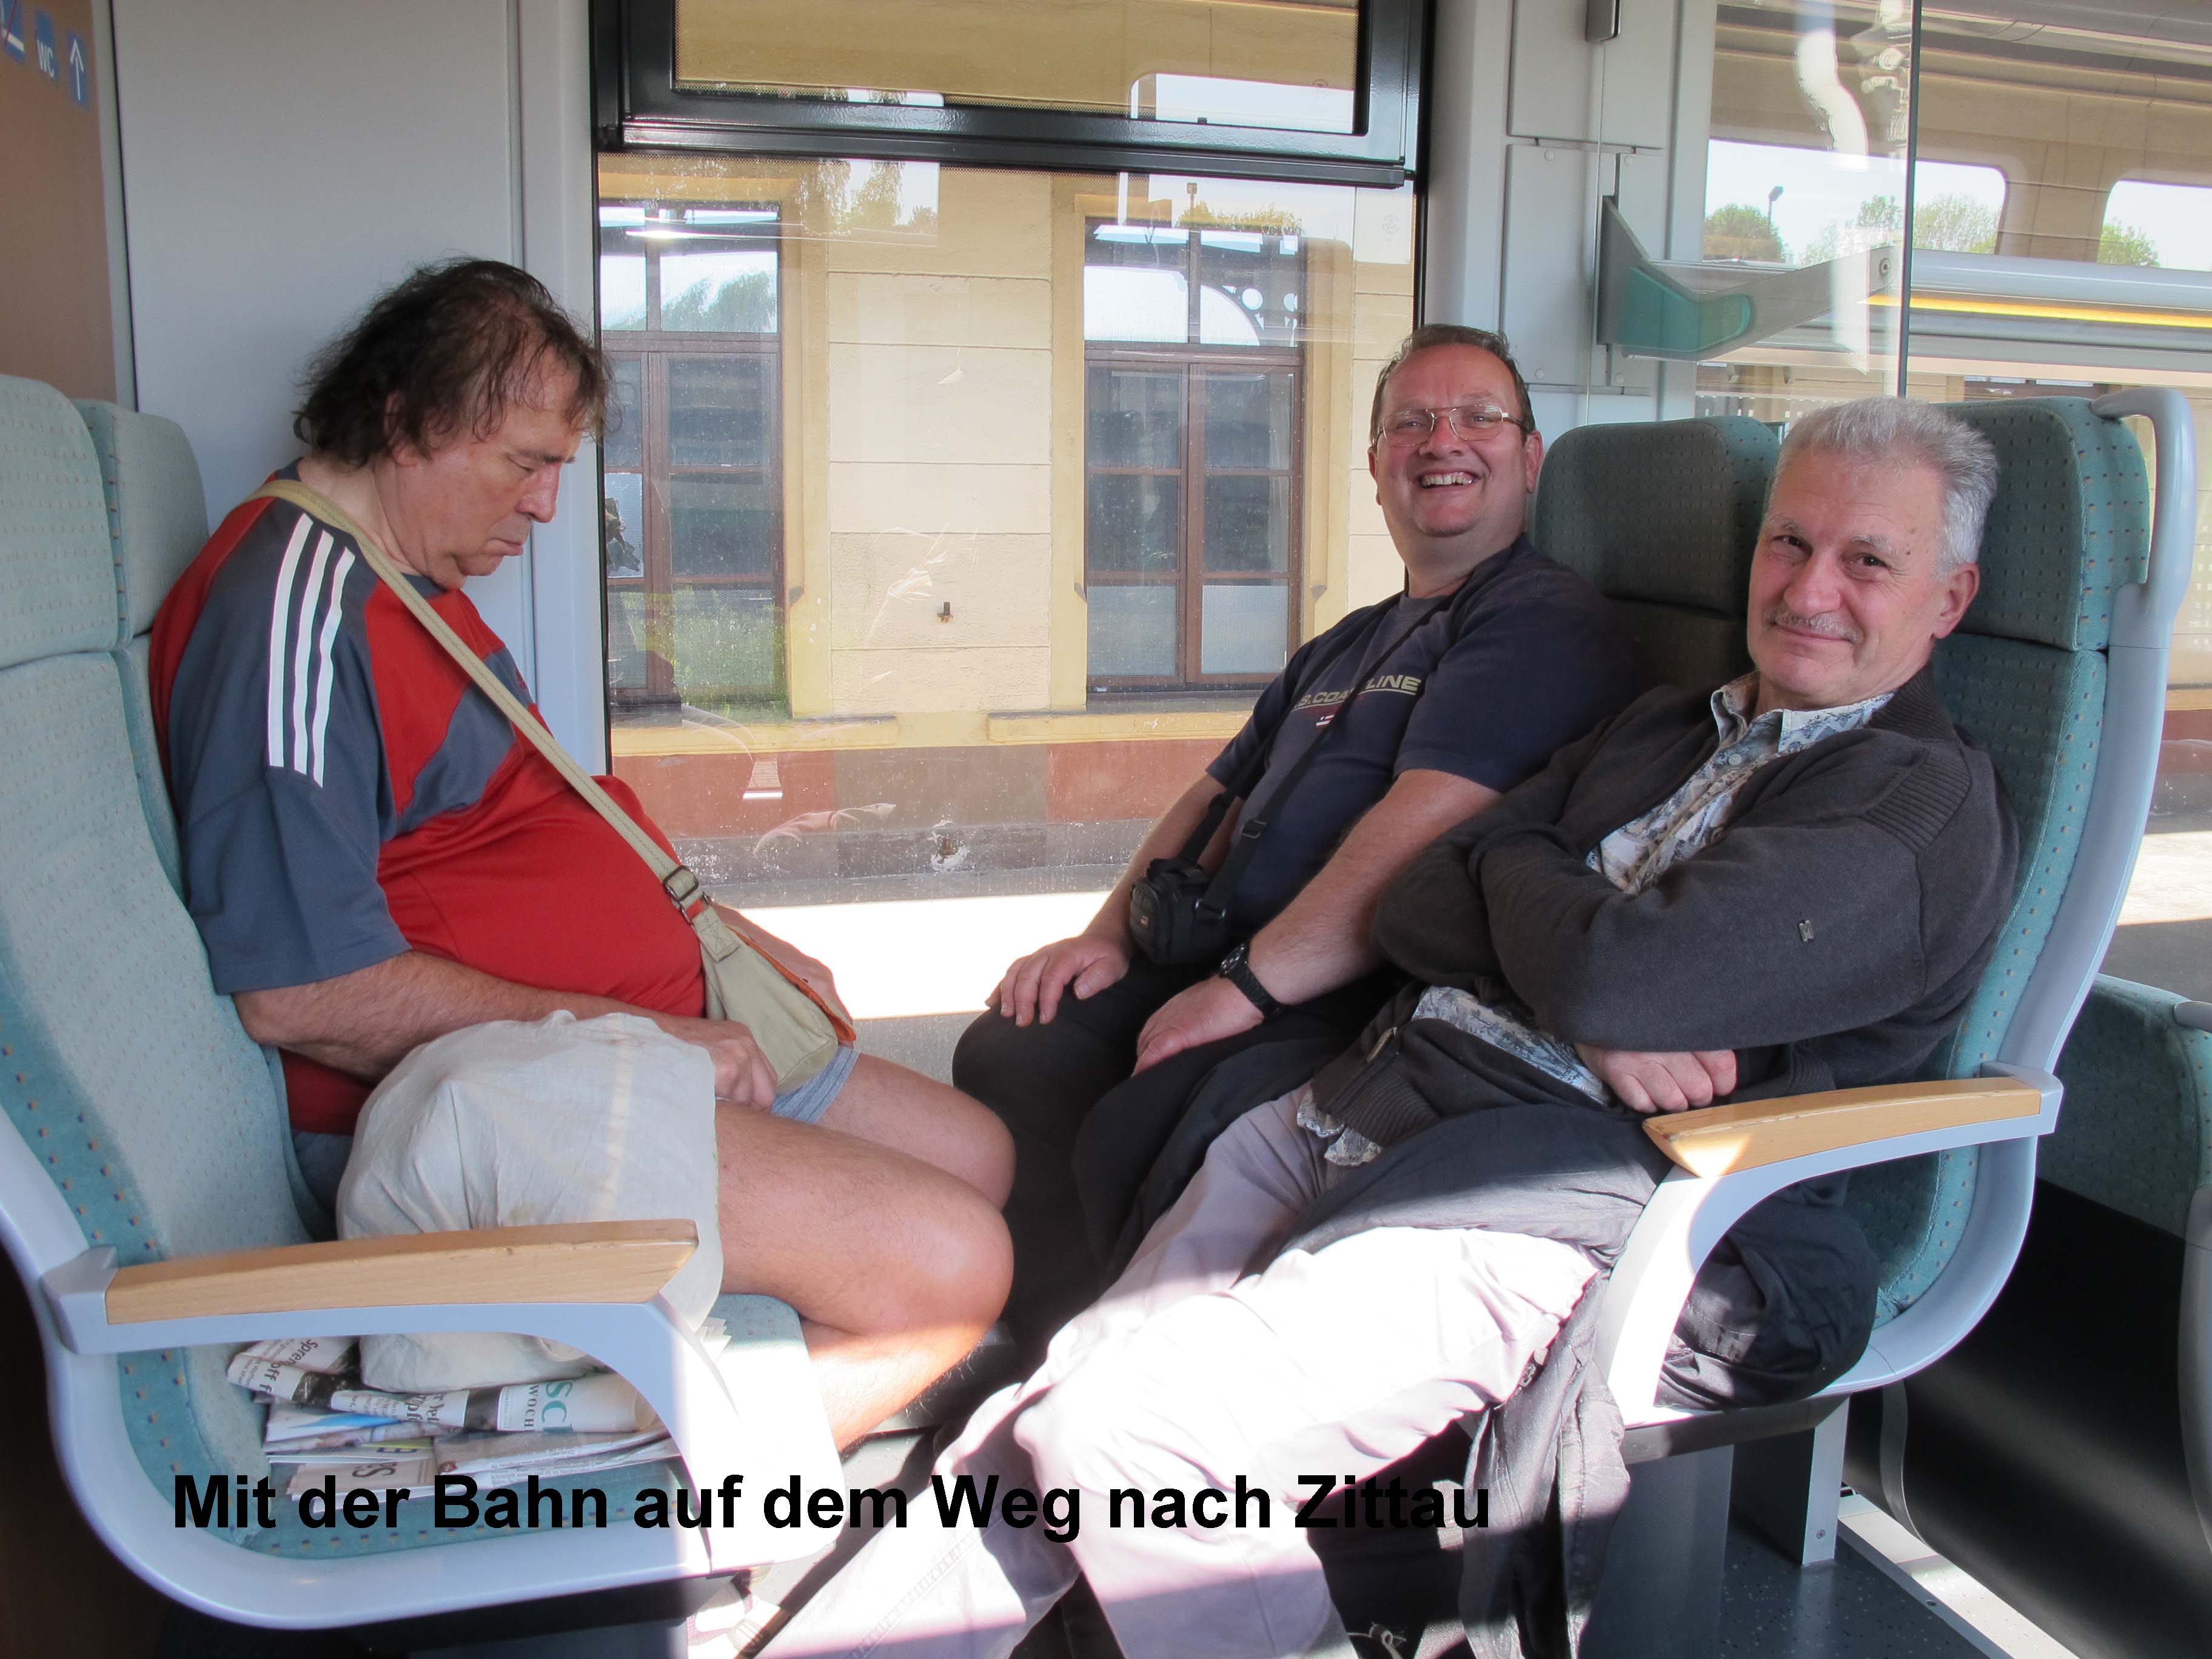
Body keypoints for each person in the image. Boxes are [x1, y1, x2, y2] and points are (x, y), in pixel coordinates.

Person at [763, 396, 2019, 1658]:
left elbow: (1606, 966)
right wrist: (1573, 957)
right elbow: (1423, 898)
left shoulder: (1918, 810)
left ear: (1949, 600)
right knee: (1050, 1409)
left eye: (1868, 561)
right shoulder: (1665, 725)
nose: (1808, 589)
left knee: (1122, 1437)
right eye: (1789, 543)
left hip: (1546, 1192)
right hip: (1365, 1105)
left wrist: (1538, 902)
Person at [149, 259, 1011, 1447]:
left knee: (977, 1154)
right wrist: (650, 1036)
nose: (549, 505)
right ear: (406, 422)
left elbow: (523, 826)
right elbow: (304, 992)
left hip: (603, 1052)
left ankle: (731, 1372)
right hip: (479, 1110)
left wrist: (721, 937)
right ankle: (689, 1522)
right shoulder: (291, 611)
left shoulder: (404, 576)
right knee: (954, 1266)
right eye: (526, 463)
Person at [956, 324, 1644, 1350]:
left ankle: (1121, 1369)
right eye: (1411, 423)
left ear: (1530, 456)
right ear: (1375, 466)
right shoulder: (1349, 638)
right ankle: (1033, 1321)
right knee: (1019, 1047)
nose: (1442, 441)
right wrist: (1104, 937)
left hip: (1356, 995)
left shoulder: (1540, 621)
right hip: (1234, 953)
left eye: (1480, 418)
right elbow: (1213, 797)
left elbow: (1423, 825)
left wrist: (1245, 989)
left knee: (1144, 1116)